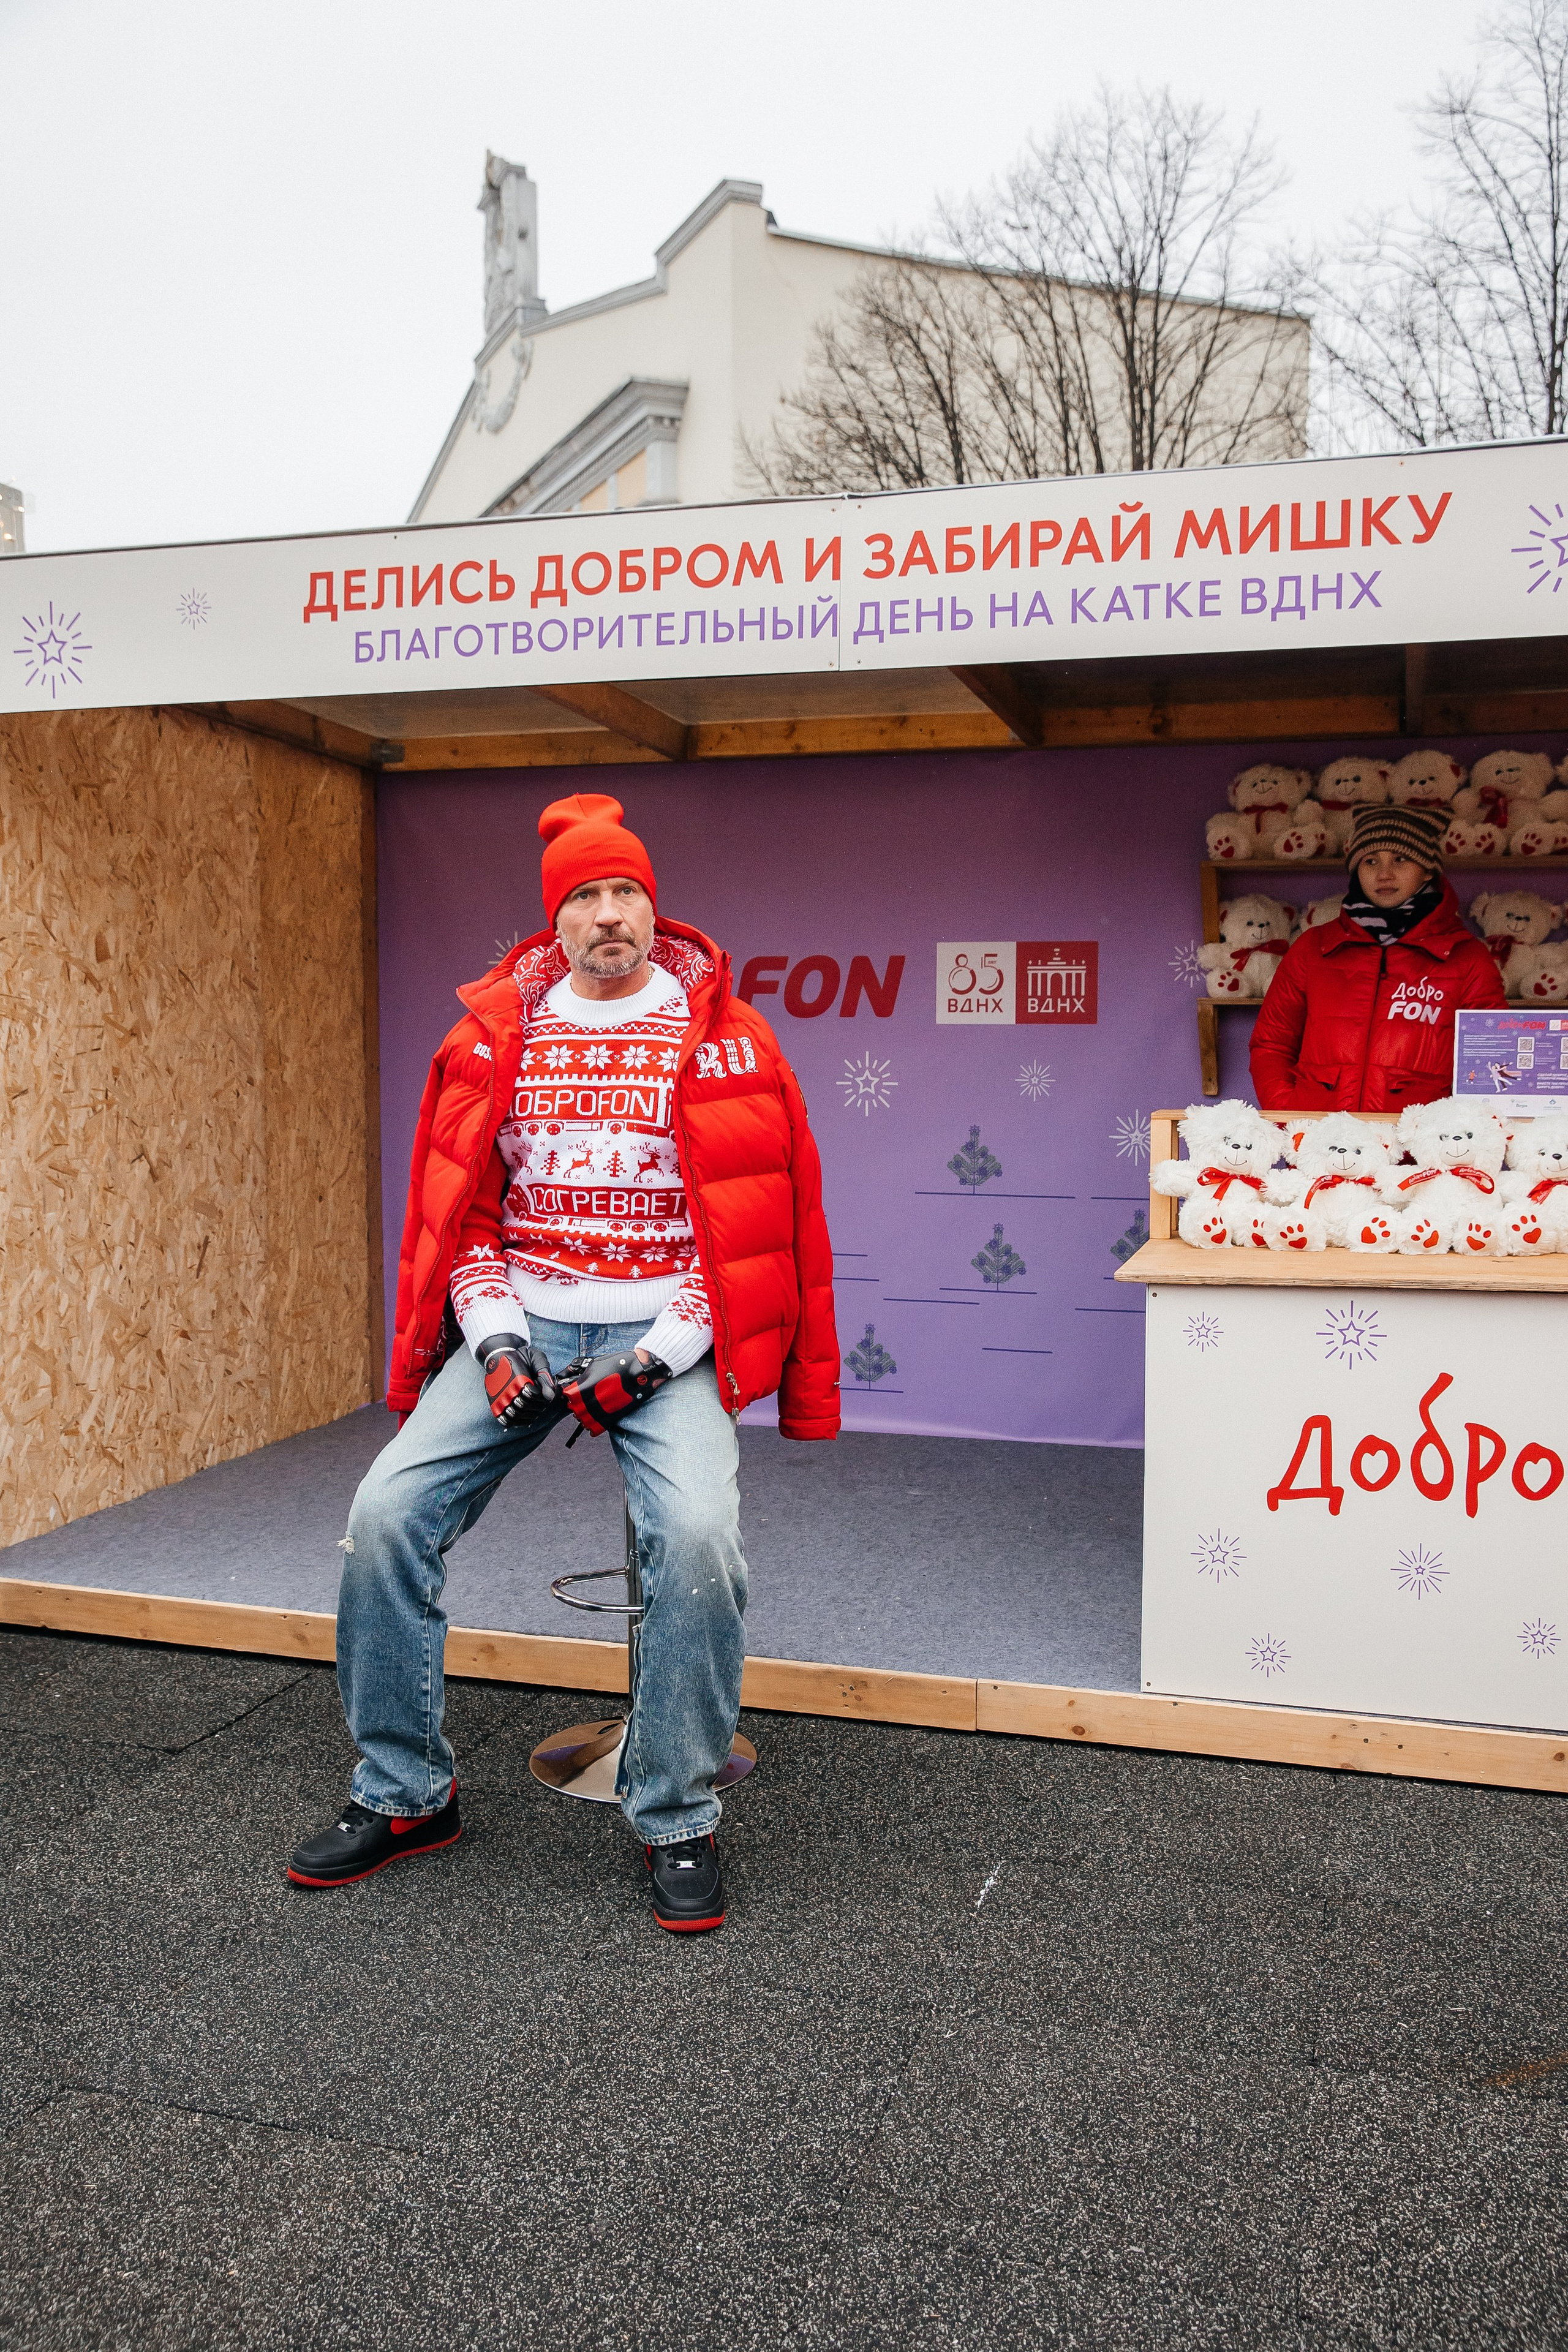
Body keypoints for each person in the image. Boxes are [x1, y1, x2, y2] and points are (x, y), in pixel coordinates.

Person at [287, 793, 840, 1930]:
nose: (607, 915)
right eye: (583, 896)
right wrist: (493, 1342)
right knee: (385, 1514)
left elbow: (745, 1231)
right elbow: (464, 1222)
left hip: (664, 1338)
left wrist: (652, 1361)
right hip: (524, 1323)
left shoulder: (726, 1035)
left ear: (653, 906)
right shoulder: (495, 1036)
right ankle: (404, 1796)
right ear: (555, 919)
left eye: (624, 891)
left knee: (694, 1540)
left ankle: (677, 1812)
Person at [1250, 803, 1505, 1112]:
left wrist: (1447, 1137)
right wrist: (1291, 1117)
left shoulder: (1468, 958)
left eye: (1400, 859)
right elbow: (1271, 1045)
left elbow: (1492, 1060)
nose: (1384, 874)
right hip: (1321, 1146)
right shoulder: (1313, 948)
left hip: (1420, 1149)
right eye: (1371, 861)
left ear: (1426, 870)